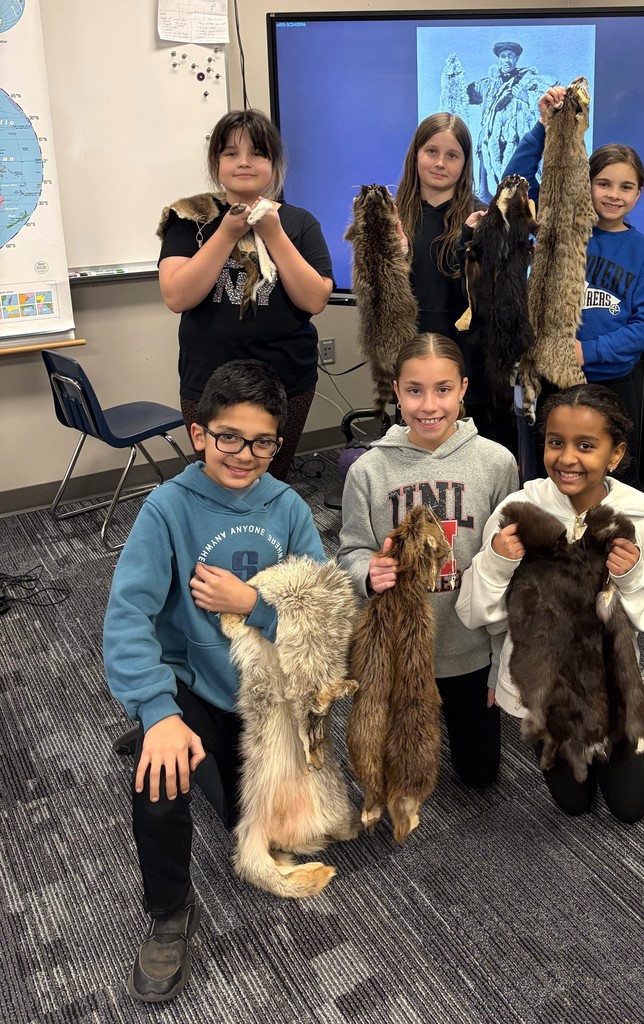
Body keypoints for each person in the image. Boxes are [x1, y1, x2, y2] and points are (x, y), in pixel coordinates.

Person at [103, 360, 327, 1002]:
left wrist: (250, 604)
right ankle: (170, 913)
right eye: (228, 436)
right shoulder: (166, 508)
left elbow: (323, 615)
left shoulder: (287, 509)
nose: (244, 454)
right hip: (188, 684)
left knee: (257, 825)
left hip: (260, 691)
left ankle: (183, 742)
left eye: (261, 442)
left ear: (278, 444)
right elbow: (126, 620)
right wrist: (157, 711)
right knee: (161, 779)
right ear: (199, 432)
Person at [456, 384, 644, 822]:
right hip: (548, 693)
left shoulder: (637, 523)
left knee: (630, 807)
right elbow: (473, 613)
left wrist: (633, 576)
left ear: (615, 455)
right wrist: (497, 564)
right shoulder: (517, 513)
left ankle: (642, 703)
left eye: (586, 445)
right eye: (555, 442)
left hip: (614, 686)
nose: (567, 458)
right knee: (573, 804)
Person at [336, 332, 520, 791]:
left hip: (470, 650)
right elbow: (352, 550)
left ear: (463, 389)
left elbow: (512, 571)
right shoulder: (368, 472)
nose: (428, 405)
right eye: (414, 390)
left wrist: (502, 665)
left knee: (479, 776)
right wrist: (366, 572)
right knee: (402, 773)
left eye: (442, 390)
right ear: (396, 392)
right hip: (401, 652)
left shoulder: (496, 463)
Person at [503, 86, 644, 487]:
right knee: (554, 471)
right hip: (553, 381)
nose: (613, 195)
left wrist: (587, 350)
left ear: (638, 193)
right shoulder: (559, 221)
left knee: (611, 475)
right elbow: (515, 185)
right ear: (585, 183)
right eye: (604, 183)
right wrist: (543, 130)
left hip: (610, 382)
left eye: (625, 187)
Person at [158, 109, 334, 481]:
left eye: (257, 153)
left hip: (286, 380)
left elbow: (314, 300)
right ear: (216, 162)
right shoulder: (189, 218)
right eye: (231, 153)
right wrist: (225, 233)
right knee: (215, 479)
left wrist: (273, 233)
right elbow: (177, 296)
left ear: (274, 163)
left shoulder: (300, 222)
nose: (244, 162)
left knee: (272, 475)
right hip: (207, 379)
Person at [394, 113, 515, 453]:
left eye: (452, 155)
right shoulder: (390, 218)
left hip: (470, 360)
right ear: (415, 154)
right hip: (412, 359)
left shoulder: (482, 218)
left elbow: (494, 297)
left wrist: (474, 243)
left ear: (465, 163)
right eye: (431, 152)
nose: (440, 163)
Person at [466, 42, 553, 201]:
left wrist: (525, 97)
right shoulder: (487, 84)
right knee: (486, 191)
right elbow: (464, 95)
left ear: (517, 58)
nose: (507, 60)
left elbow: (546, 106)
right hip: (490, 142)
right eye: (503, 56)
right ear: (499, 59)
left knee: (516, 193)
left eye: (510, 56)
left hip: (516, 140)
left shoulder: (529, 81)